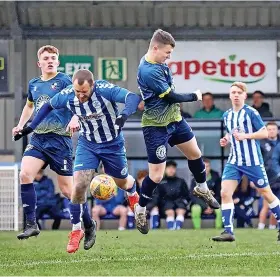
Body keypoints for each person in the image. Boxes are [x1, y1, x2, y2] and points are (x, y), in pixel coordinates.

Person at [14, 69, 141, 253]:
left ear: (93, 86)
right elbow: (48, 105)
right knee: (79, 185)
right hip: (87, 144)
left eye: (85, 92)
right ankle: (76, 230)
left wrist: (123, 116)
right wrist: (30, 127)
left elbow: (133, 98)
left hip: (112, 144)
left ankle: (132, 192)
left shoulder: (104, 89)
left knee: (122, 181)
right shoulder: (68, 94)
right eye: (77, 92)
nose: (81, 96)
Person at [135, 28, 220, 234]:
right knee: (156, 175)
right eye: (167, 53)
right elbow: (170, 96)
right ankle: (140, 208)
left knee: (195, 154)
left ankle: (202, 187)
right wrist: (194, 96)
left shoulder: (160, 63)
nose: (169, 57)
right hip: (156, 126)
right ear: (155, 48)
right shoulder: (148, 71)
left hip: (175, 120)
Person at [12, 45, 94, 249]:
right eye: (46, 58)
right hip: (38, 139)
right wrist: (21, 125)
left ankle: (89, 224)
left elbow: (81, 100)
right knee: (25, 174)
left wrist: (76, 117)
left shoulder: (65, 81)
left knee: (68, 191)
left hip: (60, 141)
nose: (50, 61)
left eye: (53, 58)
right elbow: (30, 105)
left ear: (58, 62)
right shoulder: (34, 84)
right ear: (39, 63)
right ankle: (31, 223)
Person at [212, 81, 280, 242]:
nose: (236, 95)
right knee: (224, 193)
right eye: (233, 92)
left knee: (266, 193)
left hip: (253, 161)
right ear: (229, 95)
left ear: (244, 95)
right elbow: (231, 133)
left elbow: (264, 133)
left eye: (239, 93)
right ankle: (228, 231)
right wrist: (226, 139)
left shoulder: (251, 113)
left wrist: (246, 136)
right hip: (234, 160)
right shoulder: (227, 115)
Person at [154, 160, 191, 230]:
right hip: (166, 203)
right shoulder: (161, 182)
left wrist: (184, 202)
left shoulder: (181, 181)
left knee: (181, 211)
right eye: (169, 168)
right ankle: (171, 229)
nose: (171, 170)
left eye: (173, 168)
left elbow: (187, 195)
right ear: (165, 169)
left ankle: (177, 227)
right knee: (170, 212)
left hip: (179, 202)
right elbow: (157, 196)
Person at [258, 122, 280, 229]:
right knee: (266, 204)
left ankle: (272, 227)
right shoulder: (261, 143)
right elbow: (257, 161)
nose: (271, 131)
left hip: (279, 178)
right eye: (269, 129)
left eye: (273, 129)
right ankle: (260, 227)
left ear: (277, 131)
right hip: (266, 178)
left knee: (277, 204)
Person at [190, 158, 222, 230]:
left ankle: (218, 230)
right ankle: (197, 230)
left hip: (213, 203)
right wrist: (205, 206)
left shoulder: (216, 179)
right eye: (203, 166)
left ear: (210, 167)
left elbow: (218, 194)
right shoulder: (194, 179)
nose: (205, 168)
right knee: (195, 209)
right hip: (199, 203)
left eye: (207, 166)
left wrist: (211, 205)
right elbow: (192, 196)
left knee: (220, 211)